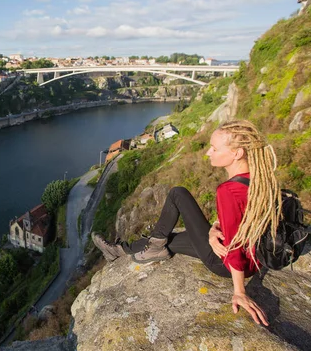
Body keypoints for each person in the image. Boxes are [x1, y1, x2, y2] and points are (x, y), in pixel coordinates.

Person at [92, 120, 282, 326]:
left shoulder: (228, 190)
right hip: (255, 260)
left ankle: (148, 247)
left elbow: (235, 245)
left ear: (237, 153)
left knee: (177, 194)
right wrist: (213, 230)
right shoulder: (259, 178)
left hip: (224, 263)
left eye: (215, 148)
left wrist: (239, 291)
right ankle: (120, 251)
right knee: (168, 239)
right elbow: (244, 216)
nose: (208, 153)